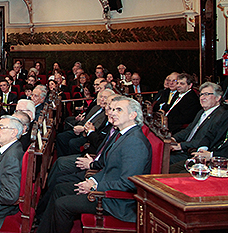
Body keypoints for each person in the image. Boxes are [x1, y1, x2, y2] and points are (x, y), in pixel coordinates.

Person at [35, 96, 151, 233]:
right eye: (112, 109)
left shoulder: (134, 142)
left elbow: (129, 183)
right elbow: (109, 168)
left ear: (133, 115)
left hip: (115, 201)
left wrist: (95, 185)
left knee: (62, 205)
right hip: (103, 185)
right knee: (60, 189)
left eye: (118, 110)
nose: (112, 112)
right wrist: (92, 180)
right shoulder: (123, 135)